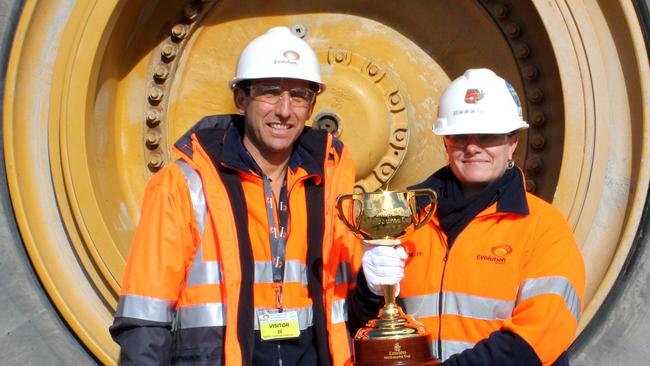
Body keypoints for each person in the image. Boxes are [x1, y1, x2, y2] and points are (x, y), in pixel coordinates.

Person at [110, 26, 360, 366]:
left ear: (311, 104)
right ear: (241, 98)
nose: (285, 110)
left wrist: (375, 285)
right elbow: (145, 317)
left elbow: (351, 294)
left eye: (299, 95)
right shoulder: (184, 184)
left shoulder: (331, 181)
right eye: (270, 92)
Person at [351, 68, 586, 365]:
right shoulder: (409, 218)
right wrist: (370, 291)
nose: (473, 147)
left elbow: (540, 335)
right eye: (460, 135)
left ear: (512, 141)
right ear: (445, 140)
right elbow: (373, 332)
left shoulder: (544, 227)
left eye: (487, 135)